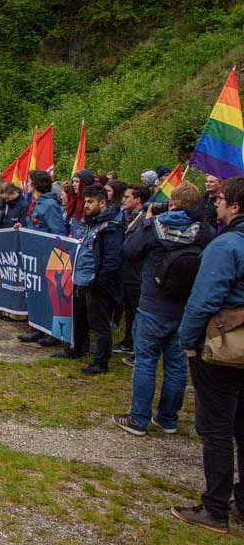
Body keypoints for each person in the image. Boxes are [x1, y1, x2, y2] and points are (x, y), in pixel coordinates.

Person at [172, 176, 244, 533]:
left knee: (215, 429)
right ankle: (241, 502)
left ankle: (214, 508)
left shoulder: (226, 245)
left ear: (234, 206)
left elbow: (204, 300)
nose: (214, 204)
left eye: (220, 200)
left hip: (221, 346)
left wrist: (188, 341)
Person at [113, 182, 213, 437]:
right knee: (177, 365)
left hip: (153, 303)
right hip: (185, 306)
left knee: (145, 362)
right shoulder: (205, 231)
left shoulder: (155, 225)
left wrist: (145, 220)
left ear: (172, 203)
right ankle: (168, 418)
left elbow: (129, 250)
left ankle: (138, 419)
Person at [53, 184, 123, 375]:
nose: (86, 205)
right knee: (80, 318)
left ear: (103, 202)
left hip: (95, 284)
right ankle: (78, 349)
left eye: (91, 202)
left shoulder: (111, 228)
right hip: (81, 280)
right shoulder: (92, 224)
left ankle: (101, 362)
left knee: (99, 324)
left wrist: (99, 283)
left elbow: (112, 260)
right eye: (86, 201)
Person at [18, 170, 68, 345]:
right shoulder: (35, 203)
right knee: (36, 293)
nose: (26, 183)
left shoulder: (49, 205)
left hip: (47, 257)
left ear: (36, 184)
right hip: (35, 256)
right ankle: (37, 327)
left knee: (49, 296)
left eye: (29, 180)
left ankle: (53, 333)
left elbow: (58, 232)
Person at [114, 184, 151, 357]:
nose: (124, 199)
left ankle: (138, 347)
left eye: (128, 197)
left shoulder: (144, 219)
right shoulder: (125, 216)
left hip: (137, 272)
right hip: (126, 271)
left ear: (138, 199)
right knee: (128, 309)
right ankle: (128, 340)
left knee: (136, 311)